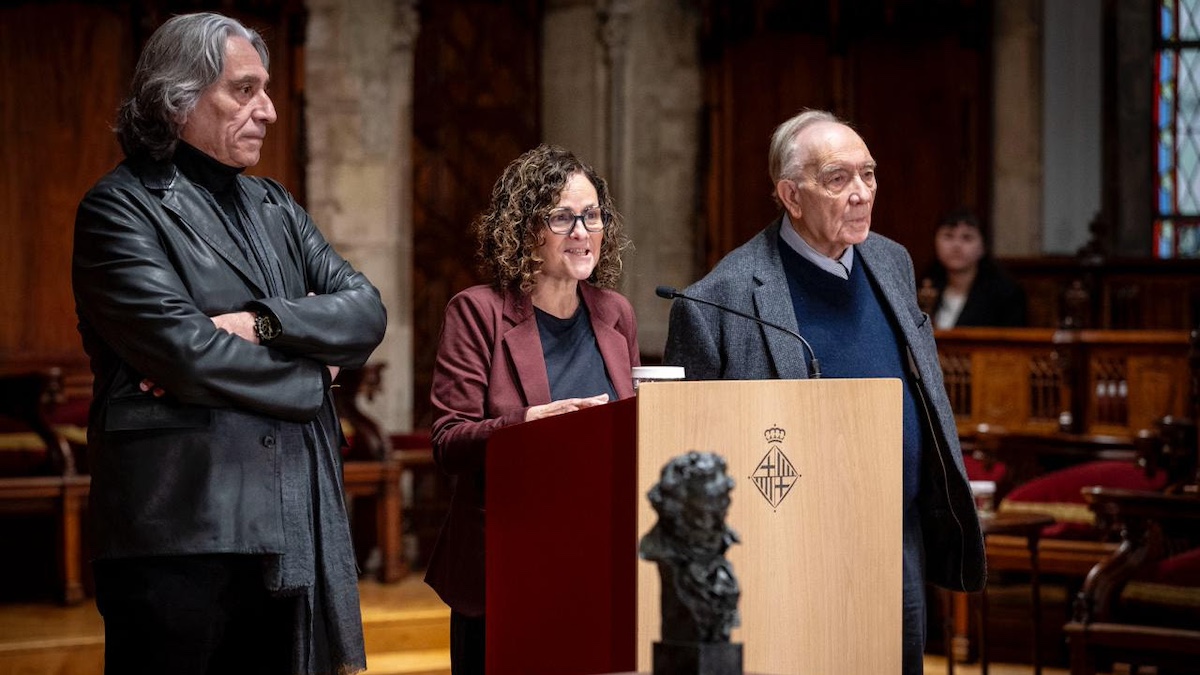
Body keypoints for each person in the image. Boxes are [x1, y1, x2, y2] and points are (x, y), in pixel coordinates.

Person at [72, 12, 386, 675]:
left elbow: (365, 313)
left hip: (287, 522)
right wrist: (315, 375)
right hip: (179, 530)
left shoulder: (275, 206)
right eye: (244, 90)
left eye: (266, 90)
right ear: (177, 98)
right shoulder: (119, 209)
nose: (267, 110)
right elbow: (190, 355)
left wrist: (262, 322)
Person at [662, 109, 985, 674]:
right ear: (791, 195)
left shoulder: (892, 261)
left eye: (869, 174)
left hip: (894, 535)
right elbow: (692, 461)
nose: (861, 193)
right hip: (786, 550)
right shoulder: (719, 300)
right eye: (838, 178)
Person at [426, 144, 639, 674]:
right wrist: (528, 427)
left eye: (592, 216)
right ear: (524, 230)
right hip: (507, 566)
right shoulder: (477, 312)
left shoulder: (616, 314)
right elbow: (449, 442)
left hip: (601, 563)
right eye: (562, 218)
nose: (582, 232)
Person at [922, 209, 1026, 329]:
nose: (956, 245)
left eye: (967, 238)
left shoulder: (1005, 294)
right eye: (948, 236)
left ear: (983, 246)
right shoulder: (924, 285)